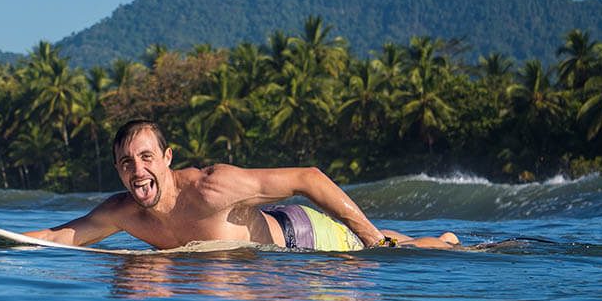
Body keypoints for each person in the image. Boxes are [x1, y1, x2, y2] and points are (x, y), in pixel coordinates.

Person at [25, 119, 459, 251]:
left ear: (167, 159)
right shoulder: (122, 212)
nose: (137, 171)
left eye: (145, 158)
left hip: (301, 237)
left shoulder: (212, 187)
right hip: (268, 243)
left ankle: (446, 242)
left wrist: (369, 238)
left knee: (393, 245)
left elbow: (308, 177)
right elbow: (58, 236)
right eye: (126, 163)